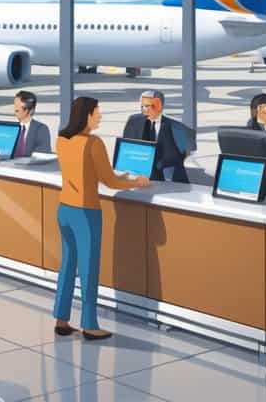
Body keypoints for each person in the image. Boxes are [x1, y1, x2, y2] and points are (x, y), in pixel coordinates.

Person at [54, 95, 150, 341]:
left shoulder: (62, 139)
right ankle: (89, 325)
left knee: (67, 265)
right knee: (88, 269)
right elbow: (110, 182)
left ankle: (61, 320)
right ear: (86, 115)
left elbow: (82, 172)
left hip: (65, 209)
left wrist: (118, 177)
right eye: (97, 112)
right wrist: (136, 182)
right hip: (86, 212)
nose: (100, 116)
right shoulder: (93, 143)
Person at [122, 90, 193, 182]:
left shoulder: (176, 126)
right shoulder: (134, 121)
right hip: (140, 175)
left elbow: (186, 152)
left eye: (147, 106)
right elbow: (127, 147)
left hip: (170, 179)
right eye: (142, 106)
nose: (143, 109)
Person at [12, 90, 52, 158]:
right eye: (15, 106)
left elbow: (42, 154)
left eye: (18, 109)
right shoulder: (12, 128)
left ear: (31, 110)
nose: (14, 111)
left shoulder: (41, 129)